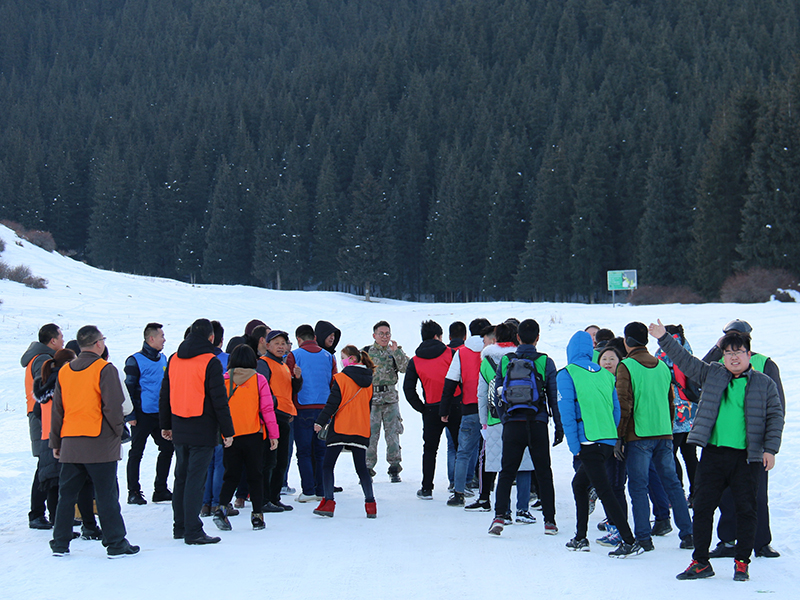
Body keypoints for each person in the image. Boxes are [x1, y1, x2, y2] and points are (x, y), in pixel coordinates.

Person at [649, 320, 784, 581]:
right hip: (713, 454)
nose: (733, 357)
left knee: (746, 509)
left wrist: (770, 449)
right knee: (702, 507)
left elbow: (775, 417)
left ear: (748, 354)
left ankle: (742, 562)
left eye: (738, 352)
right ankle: (701, 562)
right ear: (723, 355)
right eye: (728, 352)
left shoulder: (764, 383)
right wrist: (664, 338)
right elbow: (685, 362)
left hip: (747, 457)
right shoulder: (713, 374)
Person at [48, 325, 139, 558]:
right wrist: (117, 431)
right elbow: (113, 406)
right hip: (99, 442)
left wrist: (56, 442)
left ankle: (60, 543)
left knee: (66, 496)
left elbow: (57, 410)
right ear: (99, 343)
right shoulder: (104, 369)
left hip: (71, 442)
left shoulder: (65, 371)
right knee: (106, 495)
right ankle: (116, 543)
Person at [701, 319, 785, 559]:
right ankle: (728, 540)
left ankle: (761, 542)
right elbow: (694, 379)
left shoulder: (764, 363)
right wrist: (717, 349)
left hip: (753, 445)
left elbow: (777, 408)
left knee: (756, 496)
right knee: (725, 496)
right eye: (729, 338)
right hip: (722, 443)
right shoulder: (718, 363)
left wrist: (770, 446)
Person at [557, 331, 641, 556]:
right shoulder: (604, 374)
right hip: (606, 440)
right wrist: (610, 435)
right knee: (579, 485)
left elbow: (567, 412)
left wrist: (574, 446)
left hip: (588, 440)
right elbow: (616, 410)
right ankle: (580, 537)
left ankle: (629, 540)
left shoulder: (567, 374)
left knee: (604, 491)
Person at [615, 322, 693, 552]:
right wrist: (667, 427)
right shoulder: (661, 366)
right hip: (664, 433)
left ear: (627, 341)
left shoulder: (626, 365)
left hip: (639, 435)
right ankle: (688, 533)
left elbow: (624, 404)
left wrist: (619, 437)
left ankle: (643, 538)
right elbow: (670, 403)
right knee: (673, 484)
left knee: (638, 487)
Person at [159, 318, 234, 545]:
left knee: (181, 477)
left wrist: (166, 424)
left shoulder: (174, 358)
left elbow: (165, 393)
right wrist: (228, 430)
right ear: (211, 337)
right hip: (203, 427)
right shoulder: (210, 361)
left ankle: (180, 526)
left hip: (179, 425)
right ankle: (193, 530)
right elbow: (219, 399)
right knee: (195, 479)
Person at [488, 319, 563, 536]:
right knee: (544, 472)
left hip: (513, 423)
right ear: (537, 338)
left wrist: (505, 418)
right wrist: (558, 426)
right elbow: (554, 398)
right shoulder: (545, 362)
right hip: (537, 422)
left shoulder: (506, 360)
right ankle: (549, 521)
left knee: (506, 471)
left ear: (518, 338)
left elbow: (497, 394)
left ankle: (499, 516)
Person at [212, 344, 279, 531]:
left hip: (230, 436)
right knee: (255, 476)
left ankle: (221, 508)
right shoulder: (259, 380)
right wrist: (273, 435)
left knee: (231, 475)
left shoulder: (224, 380)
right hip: (253, 435)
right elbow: (267, 409)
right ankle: (257, 516)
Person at [473, 322, 535, 522]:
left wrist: (484, 422)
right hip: (522, 416)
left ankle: (504, 511)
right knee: (524, 465)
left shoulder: (487, 360)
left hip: (496, 418)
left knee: (503, 467)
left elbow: (482, 394)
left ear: (496, 338)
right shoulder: (524, 357)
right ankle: (523, 509)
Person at [313, 345, 377, 518]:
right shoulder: (369, 381)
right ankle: (370, 504)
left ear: (352, 359)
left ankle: (328, 502)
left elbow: (332, 404)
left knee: (328, 466)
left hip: (341, 427)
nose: (342, 361)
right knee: (361, 468)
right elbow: (368, 407)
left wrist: (320, 422)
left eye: (343, 358)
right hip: (361, 429)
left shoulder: (341, 379)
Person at [403, 320, 460, 500]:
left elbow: (408, 389)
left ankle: (427, 488)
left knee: (429, 450)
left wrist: (422, 408)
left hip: (431, 408)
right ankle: (460, 487)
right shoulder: (451, 353)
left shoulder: (415, 361)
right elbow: (462, 378)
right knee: (460, 447)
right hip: (455, 405)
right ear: (437, 336)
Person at [443, 318, 491, 506]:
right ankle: (487, 490)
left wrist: (444, 409)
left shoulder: (461, 353)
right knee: (490, 451)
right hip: (492, 411)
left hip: (470, 408)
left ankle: (459, 492)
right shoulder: (493, 351)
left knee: (463, 452)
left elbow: (450, 383)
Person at [125, 322, 173, 505]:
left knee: (168, 448)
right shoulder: (134, 360)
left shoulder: (163, 359)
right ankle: (133, 491)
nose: (164, 340)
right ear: (151, 339)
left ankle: (160, 489)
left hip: (160, 414)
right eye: (162, 336)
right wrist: (130, 415)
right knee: (137, 452)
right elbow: (128, 389)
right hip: (141, 414)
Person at [21, 323, 64, 529]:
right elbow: (45, 388)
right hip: (41, 416)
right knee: (45, 466)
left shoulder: (38, 357)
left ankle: (45, 513)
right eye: (61, 337)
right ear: (52, 340)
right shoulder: (43, 359)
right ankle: (37, 513)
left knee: (47, 465)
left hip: (39, 414)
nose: (63, 340)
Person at [290, 324, 335, 501]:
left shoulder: (294, 355)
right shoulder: (329, 356)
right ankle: (322, 489)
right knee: (321, 451)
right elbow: (333, 383)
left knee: (304, 452)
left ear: (298, 339)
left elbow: (290, 382)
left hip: (303, 407)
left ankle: (308, 490)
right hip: (324, 408)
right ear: (315, 338)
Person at [258, 329, 301, 512]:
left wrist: (297, 378)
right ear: (267, 345)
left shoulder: (283, 365)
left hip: (284, 416)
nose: (281, 347)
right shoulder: (263, 363)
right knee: (269, 461)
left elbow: (290, 390)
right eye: (277, 343)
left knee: (281, 461)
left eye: (283, 343)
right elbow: (261, 389)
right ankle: (264, 499)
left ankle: (274, 497)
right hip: (272, 416)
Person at [365, 321, 408, 482]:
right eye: (381, 334)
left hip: (390, 399)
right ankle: (367, 468)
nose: (384, 337)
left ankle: (394, 467)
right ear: (374, 335)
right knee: (371, 436)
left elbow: (406, 368)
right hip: (372, 400)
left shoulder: (394, 351)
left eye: (387, 333)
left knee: (393, 435)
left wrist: (397, 352)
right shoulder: (366, 352)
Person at [201, 321, 229, 517]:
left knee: (206, 461)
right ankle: (217, 502)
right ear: (220, 339)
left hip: (200, 415)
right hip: (221, 414)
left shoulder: (197, 360)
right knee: (220, 461)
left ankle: (205, 502)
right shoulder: (226, 359)